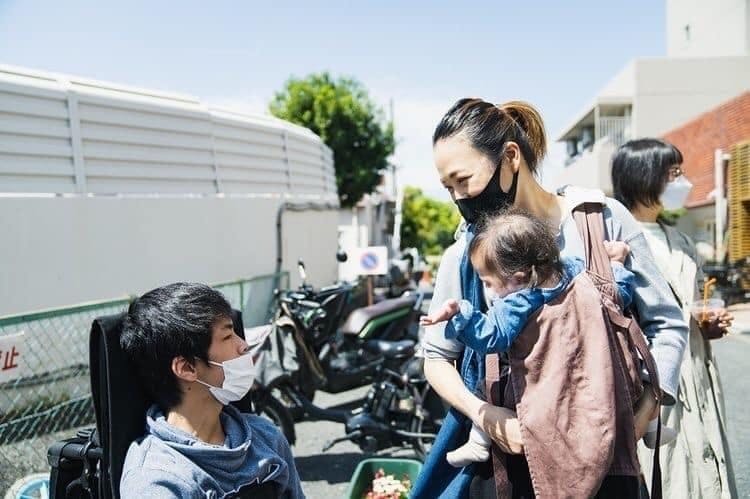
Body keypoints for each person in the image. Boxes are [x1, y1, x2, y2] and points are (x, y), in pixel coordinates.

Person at [411, 98, 689, 499]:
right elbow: (436, 358)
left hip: (609, 464)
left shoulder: (600, 220)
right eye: (448, 187)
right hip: (510, 469)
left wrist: (645, 410)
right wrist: (486, 417)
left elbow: (666, 323)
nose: (458, 198)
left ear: (511, 157)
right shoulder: (467, 253)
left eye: (463, 180)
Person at [420, 210, 674, 468]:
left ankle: (478, 442)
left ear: (518, 279)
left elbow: (491, 336)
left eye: (488, 283)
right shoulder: (575, 270)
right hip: (592, 374)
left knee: (487, 387)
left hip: (541, 385)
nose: (488, 291)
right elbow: (616, 295)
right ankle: (653, 425)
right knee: (628, 378)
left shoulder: (518, 302)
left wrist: (460, 314)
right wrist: (617, 264)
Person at [611, 138, 737, 498]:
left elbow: (694, 301)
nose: (684, 182)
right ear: (643, 176)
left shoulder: (681, 240)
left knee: (706, 467)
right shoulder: (615, 242)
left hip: (697, 371)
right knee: (667, 474)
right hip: (654, 380)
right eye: (674, 173)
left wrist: (706, 324)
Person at [119, 282, 305, 498]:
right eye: (227, 336)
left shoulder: (266, 437)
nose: (244, 345)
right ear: (187, 368)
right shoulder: (156, 480)